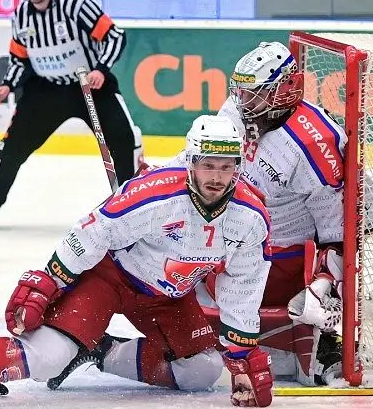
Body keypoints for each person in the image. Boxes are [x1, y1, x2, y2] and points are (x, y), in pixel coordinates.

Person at [0, 114, 275, 409]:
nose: (216, 177)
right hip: (110, 278)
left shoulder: (250, 218)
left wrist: (242, 356)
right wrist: (49, 280)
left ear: (238, 167)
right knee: (48, 357)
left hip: (167, 297)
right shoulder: (155, 194)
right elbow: (93, 232)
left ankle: (98, 352)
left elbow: (242, 286)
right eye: (208, 165)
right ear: (191, 162)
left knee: (202, 371)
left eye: (226, 167)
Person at [57, 41, 347, 389]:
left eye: (253, 95)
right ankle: (82, 322)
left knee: (196, 342)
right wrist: (147, 187)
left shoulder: (316, 144)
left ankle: (105, 345)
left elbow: (336, 232)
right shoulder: (240, 108)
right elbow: (193, 162)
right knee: (144, 243)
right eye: (240, 92)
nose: (241, 102)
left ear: (284, 91)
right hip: (220, 234)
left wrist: (324, 283)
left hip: (274, 259)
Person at [0, 0, 143, 225]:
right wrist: (7, 84)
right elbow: (20, 58)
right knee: (11, 147)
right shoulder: (21, 17)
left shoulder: (75, 5)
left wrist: (100, 69)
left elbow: (114, 36)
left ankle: (131, 204)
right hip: (47, 91)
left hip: (91, 87)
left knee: (125, 139)